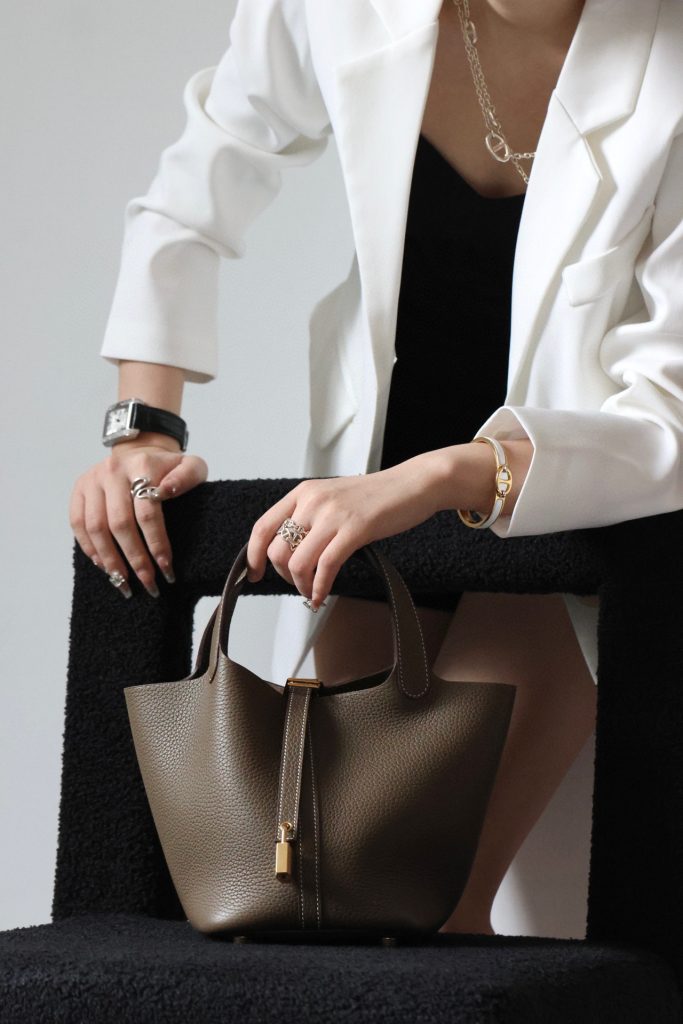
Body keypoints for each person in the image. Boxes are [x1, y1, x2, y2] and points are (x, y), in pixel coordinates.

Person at [69, 0, 683, 936]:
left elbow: (666, 409)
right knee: (329, 910)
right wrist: (142, 433)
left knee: (427, 915)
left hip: (569, 510)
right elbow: (200, 180)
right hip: (372, 492)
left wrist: (436, 479)